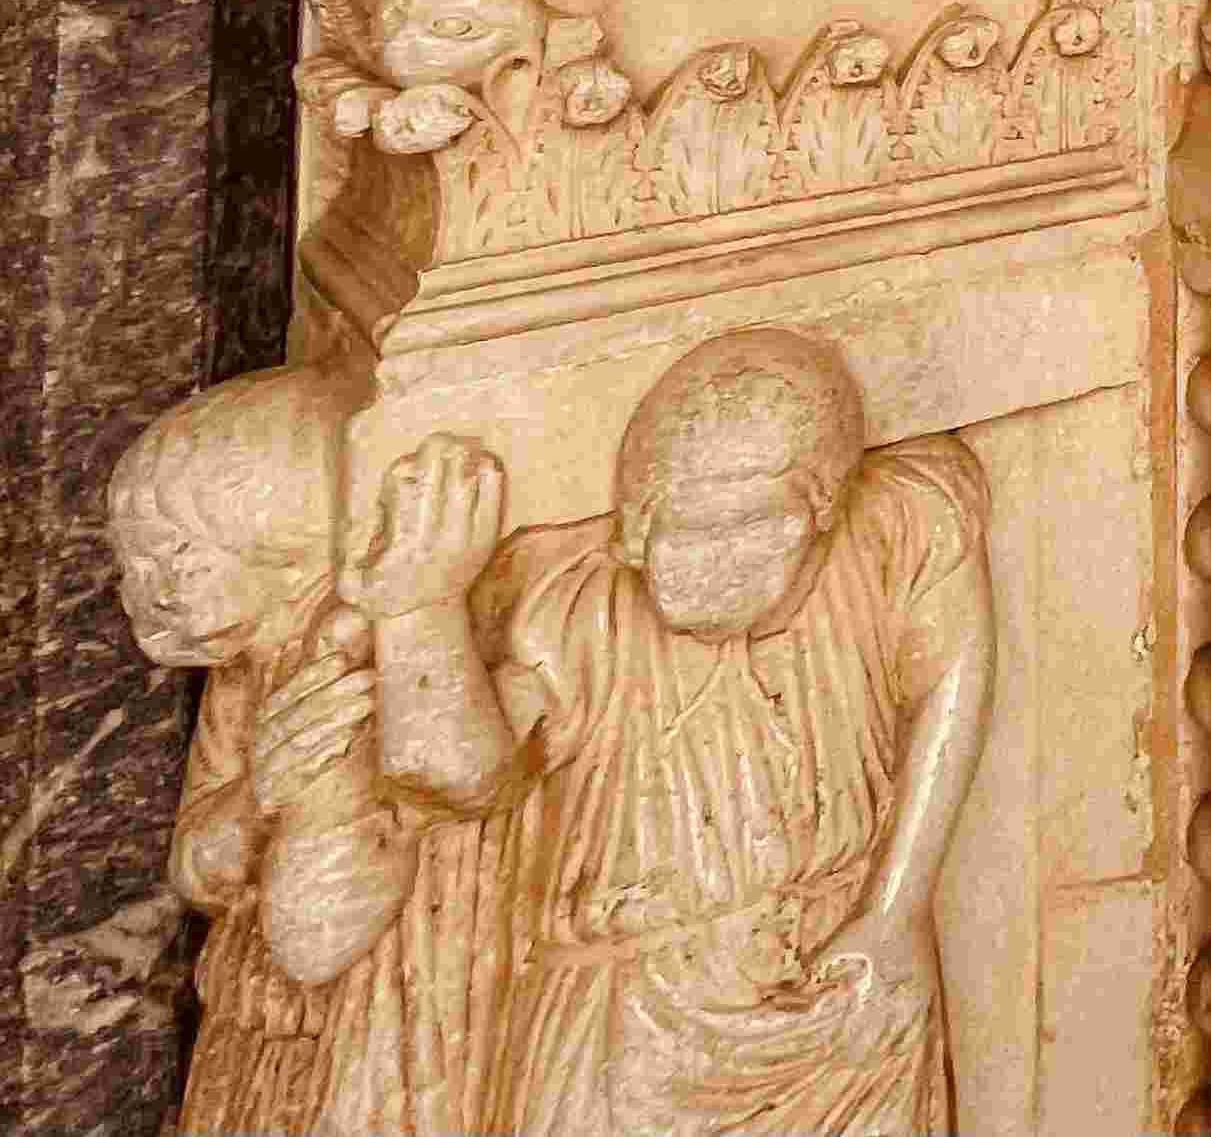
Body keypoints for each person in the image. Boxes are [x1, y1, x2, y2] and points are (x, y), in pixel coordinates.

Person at [359, 330, 994, 1137]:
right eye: (687, 533)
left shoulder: (891, 535)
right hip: (627, 1026)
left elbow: (953, 669)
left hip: (835, 994)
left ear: (822, 509)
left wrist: (896, 909)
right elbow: (455, 777)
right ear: (632, 526)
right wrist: (419, 609)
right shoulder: (581, 612)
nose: (722, 561)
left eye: (761, 528)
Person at [109, 368, 475, 1136]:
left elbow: (324, 925)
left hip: (356, 1015)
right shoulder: (245, 670)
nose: (155, 591)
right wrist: (255, 798)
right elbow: (194, 863)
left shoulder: (343, 653)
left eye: (183, 557)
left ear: (277, 539)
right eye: (142, 566)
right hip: (254, 1005)